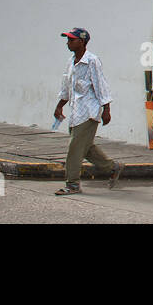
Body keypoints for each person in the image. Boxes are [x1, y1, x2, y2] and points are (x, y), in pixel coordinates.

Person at [53, 28, 122, 196]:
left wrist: (107, 109)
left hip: (89, 112)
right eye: (68, 40)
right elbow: (67, 87)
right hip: (76, 112)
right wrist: (60, 105)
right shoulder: (71, 62)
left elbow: (101, 85)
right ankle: (113, 167)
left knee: (75, 148)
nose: (68, 43)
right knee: (86, 148)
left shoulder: (92, 61)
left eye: (71, 40)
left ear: (82, 42)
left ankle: (72, 184)